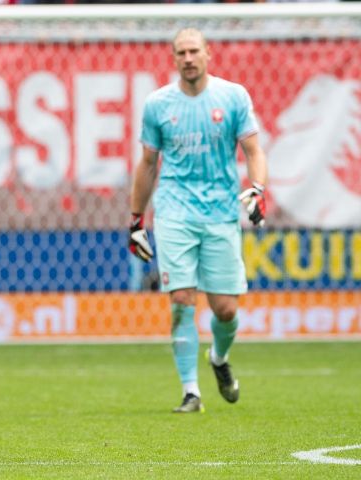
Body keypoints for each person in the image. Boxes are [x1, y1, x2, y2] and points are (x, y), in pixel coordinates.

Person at [129, 27, 268, 413]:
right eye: (181, 53)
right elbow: (147, 163)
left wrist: (257, 188)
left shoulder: (233, 96)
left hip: (221, 212)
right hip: (174, 212)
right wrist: (136, 219)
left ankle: (219, 359)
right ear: (173, 59)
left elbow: (254, 150)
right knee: (182, 300)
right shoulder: (158, 104)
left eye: (194, 51)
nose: (188, 58)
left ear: (208, 53)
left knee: (225, 308)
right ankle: (191, 391)